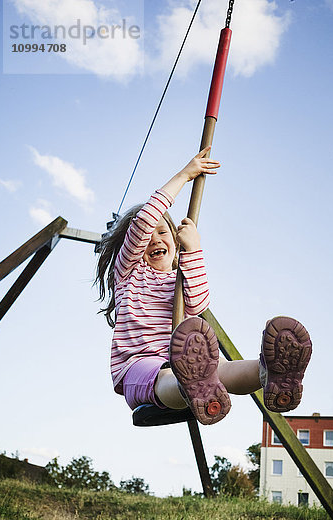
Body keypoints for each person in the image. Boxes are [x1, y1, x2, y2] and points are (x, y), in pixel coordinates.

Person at [96, 147, 312, 425]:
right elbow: (145, 220)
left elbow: (198, 304)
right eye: (147, 236)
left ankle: (272, 373)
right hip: (140, 365)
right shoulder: (128, 272)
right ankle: (193, 385)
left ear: (175, 243)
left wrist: (194, 250)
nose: (154, 238)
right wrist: (185, 175)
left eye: (163, 232)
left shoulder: (180, 278)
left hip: (186, 357)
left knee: (221, 369)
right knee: (169, 377)